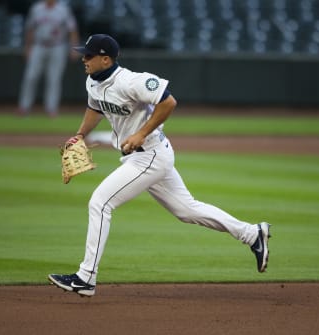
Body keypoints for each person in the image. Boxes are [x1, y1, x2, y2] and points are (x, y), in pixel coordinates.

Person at [48, 34, 271, 297]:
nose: (83, 59)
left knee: (100, 202)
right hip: (141, 156)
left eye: (88, 55)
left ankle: (86, 278)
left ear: (105, 59)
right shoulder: (92, 82)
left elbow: (168, 102)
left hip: (150, 154)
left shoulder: (131, 81)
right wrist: (80, 135)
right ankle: (252, 234)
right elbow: (95, 108)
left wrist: (141, 133)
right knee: (187, 210)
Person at [17, 0, 79, 118]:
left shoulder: (63, 9)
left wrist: (73, 48)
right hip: (38, 45)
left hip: (58, 46)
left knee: (54, 79)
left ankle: (51, 109)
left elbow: (72, 30)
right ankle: (24, 107)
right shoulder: (36, 8)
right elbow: (30, 29)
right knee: (31, 76)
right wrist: (27, 48)